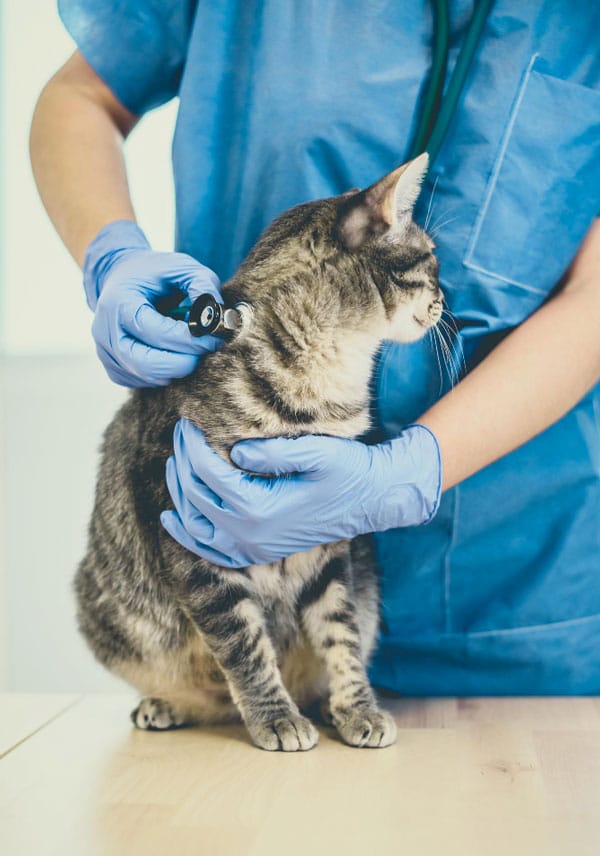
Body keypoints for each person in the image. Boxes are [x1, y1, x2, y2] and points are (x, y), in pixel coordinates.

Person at [31, 1, 600, 695]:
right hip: (229, 599)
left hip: (516, 600)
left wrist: (412, 468)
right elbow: (81, 96)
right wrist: (110, 255)